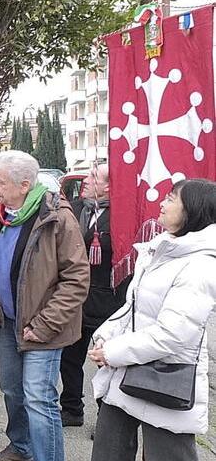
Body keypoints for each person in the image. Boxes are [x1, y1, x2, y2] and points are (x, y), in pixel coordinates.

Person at [0, 150, 90, 461]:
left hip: (43, 328)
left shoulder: (58, 218)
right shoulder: (1, 213)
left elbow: (76, 279)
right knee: (13, 391)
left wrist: (43, 325)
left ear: (25, 184)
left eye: (0, 182)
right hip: (8, 323)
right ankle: (21, 448)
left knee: (39, 399)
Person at [89, 178, 216, 461]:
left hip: (167, 379)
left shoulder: (200, 265)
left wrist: (112, 352)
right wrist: (105, 335)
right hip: (126, 371)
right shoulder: (160, 249)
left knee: (168, 454)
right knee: (108, 452)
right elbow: (133, 307)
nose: (162, 202)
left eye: (172, 198)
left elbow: (171, 335)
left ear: (192, 210)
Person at [58, 163, 128, 428]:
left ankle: (105, 419)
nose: (85, 181)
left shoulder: (122, 217)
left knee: (105, 362)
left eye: (93, 177)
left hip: (107, 303)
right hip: (75, 300)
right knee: (69, 358)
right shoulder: (75, 209)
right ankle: (71, 409)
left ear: (110, 185)